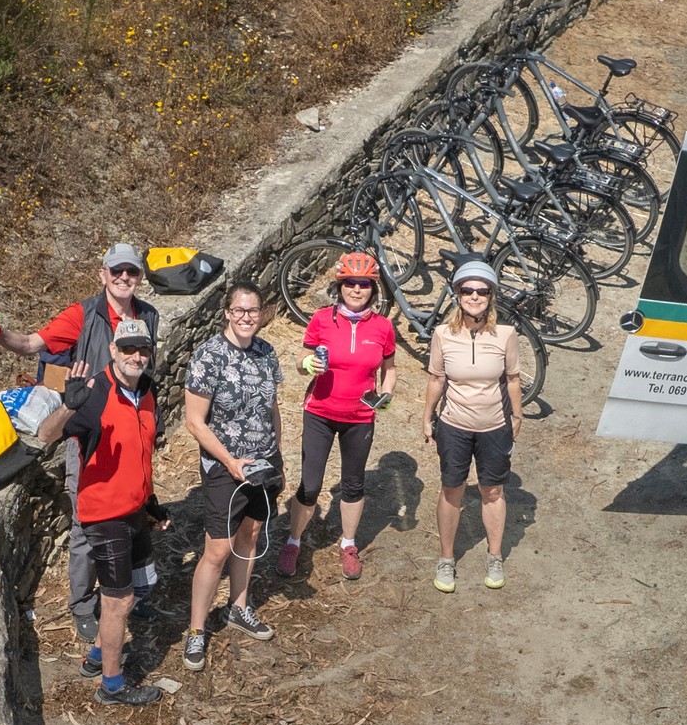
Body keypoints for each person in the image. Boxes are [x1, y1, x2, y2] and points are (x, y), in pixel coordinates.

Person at [0, 244, 160, 655]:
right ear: (102, 274)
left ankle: (124, 594)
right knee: (86, 523)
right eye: (117, 271)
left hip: (131, 424)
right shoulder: (82, 315)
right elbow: (31, 344)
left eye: (133, 272)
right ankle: (83, 604)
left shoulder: (148, 317)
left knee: (134, 511)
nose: (125, 278)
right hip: (87, 433)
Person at [27, 317, 167, 706]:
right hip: (103, 515)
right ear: (113, 352)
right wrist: (67, 407)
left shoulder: (148, 391)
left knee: (143, 586)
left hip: (135, 510)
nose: (136, 357)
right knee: (118, 600)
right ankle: (112, 685)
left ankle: (96, 655)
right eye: (128, 349)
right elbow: (46, 435)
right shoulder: (95, 394)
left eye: (143, 350)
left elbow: (142, 454)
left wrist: (151, 503)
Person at [177, 285, 283, 674]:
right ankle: (196, 629)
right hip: (225, 469)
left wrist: (278, 458)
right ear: (227, 312)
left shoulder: (266, 353)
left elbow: (272, 408)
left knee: (251, 536)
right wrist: (230, 460)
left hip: (262, 464)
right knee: (217, 551)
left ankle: (238, 607)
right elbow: (194, 421)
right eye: (239, 311)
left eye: (252, 311)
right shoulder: (209, 356)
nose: (245, 317)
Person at [279, 251, 396, 581]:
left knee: (353, 483)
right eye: (350, 283)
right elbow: (302, 358)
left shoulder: (383, 327)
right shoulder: (320, 319)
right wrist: (307, 365)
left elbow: (390, 369)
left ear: (373, 289)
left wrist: (385, 395)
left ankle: (348, 544)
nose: (357, 290)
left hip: (360, 416)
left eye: (364, 284)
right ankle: (293, 541)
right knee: (311, 484)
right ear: (339, 286)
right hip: (319, 412)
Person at [422, 260, 522, 593]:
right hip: (454, 425)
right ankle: (446, 559)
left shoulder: (506, 335)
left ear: (491, 296)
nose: (474, 296)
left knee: (492, 490)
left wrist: (517, 416)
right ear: (457, 294)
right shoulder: (442, 334)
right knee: (452, 489)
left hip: (494, 426)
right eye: (468, 290)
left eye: (482, 291)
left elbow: (512, 378)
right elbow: (437, 378)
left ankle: (494, 556)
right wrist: (427, 416)